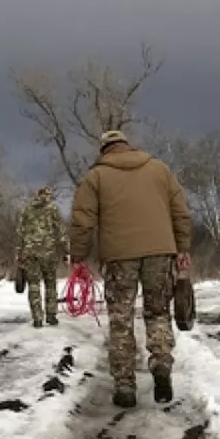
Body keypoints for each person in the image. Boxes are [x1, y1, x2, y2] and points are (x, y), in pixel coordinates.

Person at [68, 129, 193, 407]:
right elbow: (181, 212)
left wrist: (78, 256)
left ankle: (125, 386)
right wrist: (182, 249)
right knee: (158, 312)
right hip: (161, 252)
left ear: (104, 150)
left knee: (121, 320)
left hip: (118, 257)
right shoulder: (159, 169)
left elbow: (82, 221)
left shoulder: (95, 177)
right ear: (128, 145)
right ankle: (161, 363)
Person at [15, 185, 69, 328]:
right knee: (50, 284)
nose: (48, 197)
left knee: (33, 285)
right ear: (45, 195)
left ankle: (37, 318)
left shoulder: (27, 209)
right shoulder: (53, 209)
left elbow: (20, 232)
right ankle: (51, 316)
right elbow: (61, 232)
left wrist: (19, 253)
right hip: (48, 253)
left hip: (30, 253)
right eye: (47, 195)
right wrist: (66, 251)